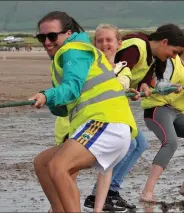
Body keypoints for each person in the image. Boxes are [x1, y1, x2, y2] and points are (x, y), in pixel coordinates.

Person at [30, 11, 137, 212]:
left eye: (52, 36)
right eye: (41, 37)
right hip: (99, 125)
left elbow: (72, 87)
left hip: (107, 123)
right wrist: (51, 100)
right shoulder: (72, 53)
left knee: (57, 167)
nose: (46, 42)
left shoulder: (74, 50)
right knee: (43, 163)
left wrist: (47, 94)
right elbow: (65, 106)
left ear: (68, 33)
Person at [85, 23, 184, 211]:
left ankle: (109, 192)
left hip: (117, 102)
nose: (174, 57)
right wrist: (130, 88)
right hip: (105, 105)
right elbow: (115, 71)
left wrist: (143, 86)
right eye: (174, 52)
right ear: (164, 42)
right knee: (134, 144)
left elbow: (140, 79)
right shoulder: (136, 47)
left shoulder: (152, 56)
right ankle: (101, 195)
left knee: (138, 144)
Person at [139, 27, 184, 202]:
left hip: (178, 114)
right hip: (158, 108)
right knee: (171, 142)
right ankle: (147, 192)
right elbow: (158, 84)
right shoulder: (172, 61)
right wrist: (172, 86)